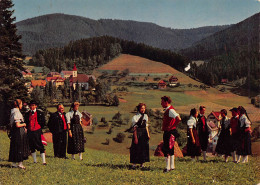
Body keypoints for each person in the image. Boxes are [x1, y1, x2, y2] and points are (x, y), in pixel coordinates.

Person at [161, 96, 181, 173]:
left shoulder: (170, 110)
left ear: (166, 102)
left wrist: (172, 126)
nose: (161, 103)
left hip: (169, 132)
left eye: (162, 102)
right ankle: (172, 166)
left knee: (166, 149)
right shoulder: (169, 110)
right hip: (171, 131)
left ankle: (167, 167)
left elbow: (178, 118)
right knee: (171, 148)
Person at [8, 99, 30, 169]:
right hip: (18, 132)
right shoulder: (17, 112)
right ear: (18, 105)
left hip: (15, 132)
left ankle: (14, 163)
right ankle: (20, 164)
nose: (22, 105)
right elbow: (17, 124)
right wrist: (24, 124)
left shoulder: (13, 111)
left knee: (15, 146)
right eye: (21, 104)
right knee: (20, 146)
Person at [24, 100, 46, 165]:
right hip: (30, 131)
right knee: (32, 146)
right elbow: (26, 122)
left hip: (37, 131)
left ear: (36, 106)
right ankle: (35, 161)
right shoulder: (27, 114)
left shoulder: (40, 113)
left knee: (40, 145)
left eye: (33, 105)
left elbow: (43, 122)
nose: (32, 107)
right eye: (31, 105)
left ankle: (44, 161)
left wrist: (39, 128)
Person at [130, 103, 150, 169]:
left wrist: (148, 134)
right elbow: (134, 128)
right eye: (142, 108)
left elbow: (146, 126)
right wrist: (135, 138)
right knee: (136, 148)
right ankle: (134, 164)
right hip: (137, 133)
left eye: (144, 108)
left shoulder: (146, 116)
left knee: (143, 148)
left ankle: (142, 164)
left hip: (144, 133)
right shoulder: (135, 117)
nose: (143, 110)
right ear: (139, 109)